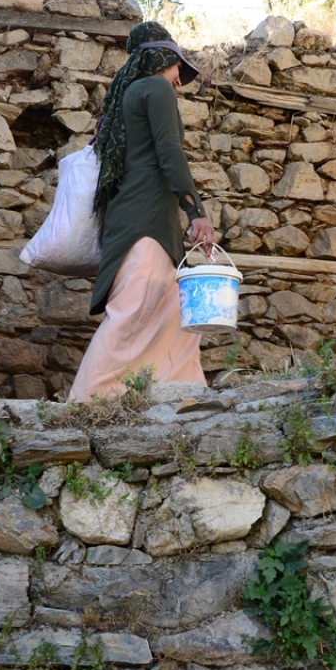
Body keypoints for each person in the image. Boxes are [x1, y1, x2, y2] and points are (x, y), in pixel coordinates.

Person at [66, 22, 216, 402]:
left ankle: (183, 395)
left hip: (135, 219)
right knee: (135, 314)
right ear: (162, 59)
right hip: (145, 223)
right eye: (177, 69)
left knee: (172, 315)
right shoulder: (155, 87)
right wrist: (196, 212)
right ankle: (86, 403)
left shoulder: (126, 95)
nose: (179, 80)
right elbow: (170, 153)